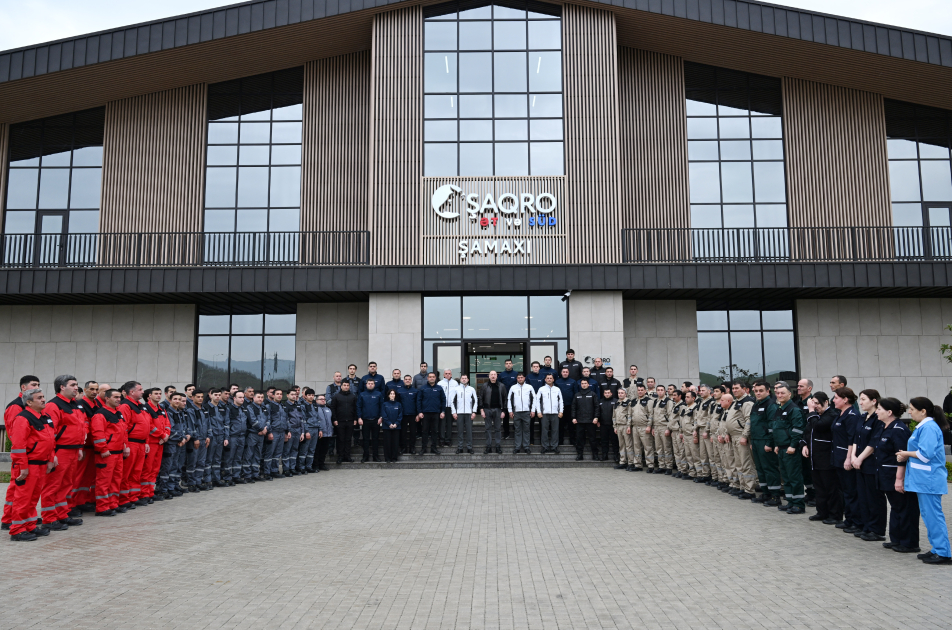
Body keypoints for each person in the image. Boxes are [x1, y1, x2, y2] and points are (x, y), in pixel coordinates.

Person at [896, 397, 951, 564]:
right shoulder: (924, 427)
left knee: (934, 516)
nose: (909, 412)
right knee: (929, 516)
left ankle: (943, 552)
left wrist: (905, 454)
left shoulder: (929, 428)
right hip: (924, 480)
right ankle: (936, 548)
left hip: (929, 480)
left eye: (912, 409)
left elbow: (925, 455)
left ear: (923, 411)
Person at [8, 388, 56, 541]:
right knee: (23, 499)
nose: (43, 400)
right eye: (39, 398)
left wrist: (50, 459)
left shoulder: (44, 417)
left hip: (41, 464)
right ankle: (17, 530)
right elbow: (18, 446)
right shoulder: (22, 418)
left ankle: (30, 525)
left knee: (33, 498)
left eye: (43, 397)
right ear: (29, 402)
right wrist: (23, 467)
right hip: (29, 465)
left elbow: (50, 440)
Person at [40, 374, 86, 530]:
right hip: (60, 451)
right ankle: (49, 518)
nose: (76, 388)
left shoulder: (75, 404)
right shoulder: (53, 406)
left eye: (76, 385)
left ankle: (62, 514)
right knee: (52, 486)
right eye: (73, 385)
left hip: (73, 450)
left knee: (67, 485)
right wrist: (51, 455)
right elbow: (49, 433)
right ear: (62, 387)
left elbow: (80, 428)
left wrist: (79, 448)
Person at [873, 398, 919, 553]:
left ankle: (909, 543)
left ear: (889, 412)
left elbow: (902, 456)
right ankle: (896, 539)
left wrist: (900, 479)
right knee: (896, 507)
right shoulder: (885, 427)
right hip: (886, 475)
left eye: (879, 409)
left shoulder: (899, 430)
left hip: (896, 475)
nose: (877, 411)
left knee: (905, 508)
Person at [801, 392, 843, 523]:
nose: (815, 406)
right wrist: (804, 444)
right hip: (815, 458)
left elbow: (818, 426)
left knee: (831, 488)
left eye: (817, 404)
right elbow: (807, 431)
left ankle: (835, 515)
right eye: (813, 403)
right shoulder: (814, 416)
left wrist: (811, 411)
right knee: (819, 488)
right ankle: (822, 512)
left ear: (826, 402)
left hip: (827, 458)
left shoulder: (831, 415)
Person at [851, 389, 886, 540]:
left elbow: (873, 442)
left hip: (871, 463)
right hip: (859, 463)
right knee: (863, 497)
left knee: (874, 498)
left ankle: (876, 530)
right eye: (860, 399)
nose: (860, 403)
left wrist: (860, 458)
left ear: (874, 401)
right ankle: (866, 527)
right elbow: (855, 438)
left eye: (864, 399)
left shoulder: (878, 419)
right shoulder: (862, 417)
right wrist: (853, 456)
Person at [89, 388, 128, 516]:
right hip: (107, 454)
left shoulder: (117, 413)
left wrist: (125, 446)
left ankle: (113, 504)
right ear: (107, 398)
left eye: (119, 397)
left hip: (117, 452)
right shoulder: (100, 414)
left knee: (115, 480)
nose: (118, 399)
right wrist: (103, 449)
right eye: (115, 397)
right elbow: (98, 433)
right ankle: (102, 507)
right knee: (104, 481)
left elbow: (123, 431)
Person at [831, 387, 863, 533]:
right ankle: (849, 519)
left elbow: (852, 439)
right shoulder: (841, 414)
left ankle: (856, 521)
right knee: (845, 490)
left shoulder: (852, 415)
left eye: (836, 398)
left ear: (845, 399)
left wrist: (849, 458)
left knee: (851, 491)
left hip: (846, 457)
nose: (833, 400)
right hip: (838, 456)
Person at [771, 381, 806, 514]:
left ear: (789, 394)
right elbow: (777, 428)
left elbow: (798, 429)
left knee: (794, 477)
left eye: (783, 393)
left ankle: (798, 504)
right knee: (786, 477)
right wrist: (777, 445)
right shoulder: (780, 409)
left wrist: (793, 445)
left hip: (790, 449)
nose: (779, 395)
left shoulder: (794, 409)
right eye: (778, 393)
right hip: (781, 448)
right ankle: (791, 502)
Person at [748, 381, 781, 504]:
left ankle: (775, 496)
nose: (758, 393)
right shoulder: (756, 405)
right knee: (760, 469)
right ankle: (766, 493)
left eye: (761, 391)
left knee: (769, 468)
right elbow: (754, 424)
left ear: (768, 391)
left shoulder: (771, 405)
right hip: (756, 441)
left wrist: (769, 443)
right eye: (756, 391)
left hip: (765, 441)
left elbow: (773, 426)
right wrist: (752, 441)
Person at [143, 387, 171, 500]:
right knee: (147, 469)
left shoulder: (161, 408)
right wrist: (162, 435)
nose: (158, 395)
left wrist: (166, 435)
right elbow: (149, 426)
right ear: (149, 396)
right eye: (156, 393)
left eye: (160, 393)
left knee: (155, 469)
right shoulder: (146, 408)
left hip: (160, 443)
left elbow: (167, 423)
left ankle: (151, 492)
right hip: (151, 442)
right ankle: (144, 494)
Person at [795, 379, 817, 506]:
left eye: (801, 386)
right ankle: (810, 493)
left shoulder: (813, 402)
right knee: (804, 469)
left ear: (809, 388)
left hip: (810, 440)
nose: (798, 388)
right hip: (800, 439)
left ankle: (816, 495)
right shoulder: (797, 402)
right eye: (798, 386)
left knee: (811, 468)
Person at [185, 390, 211, 491]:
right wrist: (195, 438)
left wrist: (208, 436)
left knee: (201, 462)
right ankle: (191, 483)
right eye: (198, 397)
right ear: (192, 398)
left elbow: (208, 424)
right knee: (192, 462)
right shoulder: (190, 410)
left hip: (204, 439)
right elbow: (191, 425)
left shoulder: (204, 409)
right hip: (195, 441)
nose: (200, 398)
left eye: (201, 397)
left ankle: (198, 481)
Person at [533, 373, 563, 454]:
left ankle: (554, 446)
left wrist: (561, 411)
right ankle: (545, 447)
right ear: (545, 380)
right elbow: (537, 401)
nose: (549, 379)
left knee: (555, 430)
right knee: (544, 431)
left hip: (555, 413)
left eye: (550, 378)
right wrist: (539, 412)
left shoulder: (557, 389)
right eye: (548, 378)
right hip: (544, 414)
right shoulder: (541, 389)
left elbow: (560, 401)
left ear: (553, 379)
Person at [242, 391, 270, 479]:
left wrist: (265, 429)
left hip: (261, 435)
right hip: (253, 434)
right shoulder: (250, 407)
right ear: (254, 398)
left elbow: (268, 420)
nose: (260, 399)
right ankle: (247, 475)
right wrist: (262, 429)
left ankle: (255, 474)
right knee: (249, 454)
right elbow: (253, 421)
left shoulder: (264, 407)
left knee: (257, 455)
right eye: (258, 397)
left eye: (262, 397)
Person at [479, 371, 507, 454]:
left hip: (498, 410)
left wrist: (504, 411)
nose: (493, 376)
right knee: (488, 429)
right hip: (487, 409)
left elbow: (505, 399)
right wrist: (481, 410)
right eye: (491, 375)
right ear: (489, 376)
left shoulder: (501, 386)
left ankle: (498, 446)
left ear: (497, 376)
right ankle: (489, 446)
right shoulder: (484, 386)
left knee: (498, 429)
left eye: (494, 374)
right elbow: (480, 398)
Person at [328, 381, 357, 463]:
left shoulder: (353, 397)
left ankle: (347, 456)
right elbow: (333, 408)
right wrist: (334, 419)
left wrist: (355, 419)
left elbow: (356, 409)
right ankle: (340, 456)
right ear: (341, 386)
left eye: (347, 385)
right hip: (339, 421)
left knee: (348, 439)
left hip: (350, 421)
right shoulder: (336, 396)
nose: (346, 387)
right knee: (340, 439)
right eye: (344, 385)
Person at [417, 373, 446, 455]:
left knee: (435, 431)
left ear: (435, 378)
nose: (432, 378)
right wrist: (419, 412)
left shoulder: (439, 388)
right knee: (424, 431)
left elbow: (443, 400)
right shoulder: (423, 388)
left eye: (433, 377)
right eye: (430, 377)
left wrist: (443, 411)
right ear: (427, 378)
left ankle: (434, 448)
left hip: (436, 413)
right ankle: (424, 448)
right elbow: (419, 400)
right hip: (425, 413)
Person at [629, 384, 656, 472]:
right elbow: (630, 414)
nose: (640, 392)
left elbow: (651, 414)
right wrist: (629, 426)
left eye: (642, 390)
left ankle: (650, 465)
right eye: (639, 390)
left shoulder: (649, 401)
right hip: (635, 427)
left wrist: (649, 426)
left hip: (644, 427)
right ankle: (638, 465)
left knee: (648, 447)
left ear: (645, 391)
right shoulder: (633, 401)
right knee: (636, 447)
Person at [221, 390, 245, 486]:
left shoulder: (244, 409)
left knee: (238, 458)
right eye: (240, 397)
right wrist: (226, 437)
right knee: (229, 458)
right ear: (234, 398)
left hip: (242, 436)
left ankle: (236, 476)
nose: (242, 399)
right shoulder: (229, 409)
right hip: (232, 436)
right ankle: (227, 477)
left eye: (243, 397)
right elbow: (226, 424)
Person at [571, 378, 598, 461]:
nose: (584, 385)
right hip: (579, 421)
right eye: (582, 383)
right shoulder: (577, 395)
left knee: (592, 439)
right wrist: (573, 417)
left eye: (585, 383)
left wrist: (596, 417)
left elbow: (597, 407)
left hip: (591, 421)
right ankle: (580, 454)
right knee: (579, 439)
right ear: (580, 385)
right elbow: (573, 407)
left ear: (588, 384)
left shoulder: (593, 394)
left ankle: (595, 455)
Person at [508, 373, 535, 455]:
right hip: (516, 412)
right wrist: (510, 411)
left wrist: (533, 410)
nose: (520, 379)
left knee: (526, 430)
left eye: (521, 377)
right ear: (517, 378)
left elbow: (534, 399)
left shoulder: (529, 387)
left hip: (527, 412)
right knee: (517, 430)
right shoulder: (513, 387)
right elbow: (509, 399)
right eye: (519, 377)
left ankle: (526, 447)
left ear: (524, 378)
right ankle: (517, 447)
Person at [357, 379, 384, 463]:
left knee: (375, 439)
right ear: (366, 385)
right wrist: (359, 417)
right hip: (365, 420)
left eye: (372, 383)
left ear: (374, 385)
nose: (370, 385)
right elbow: (359, 406)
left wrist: (381, 417)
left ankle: (376, 456)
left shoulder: (378, 394)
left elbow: (382, 406)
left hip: (376, 420)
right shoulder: (362, 394)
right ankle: (365, 456)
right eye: (369, 383)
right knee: (366, 439)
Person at [452, 374, 478, 455]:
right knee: (460, 431)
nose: (464, 379)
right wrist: (454, 412)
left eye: (465, 378)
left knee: (469, 431)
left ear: (468, 380)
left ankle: (469, 448)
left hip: (469, 413)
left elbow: (475, 401)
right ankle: (460, 448)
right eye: (462, 378)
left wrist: (474, 412)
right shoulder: (456, 389)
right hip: (459, 413)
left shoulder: (471, 389)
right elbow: (452, 401)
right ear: (460, 380)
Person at [650, 386, 673, 474]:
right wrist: (653, 427)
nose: (660, 392)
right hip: (656, 427)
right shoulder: (655, 401)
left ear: (665, 391)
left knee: (667, 448)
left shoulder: (668, 401)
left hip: (664, 426)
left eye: (661, 390)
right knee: (659, 448)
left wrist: (668, 428)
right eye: (658, 390)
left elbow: (670, 415)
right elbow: (653, 415)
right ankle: (661, 466)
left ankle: (669, 467)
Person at [555, 368, 579, 447]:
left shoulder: (573, 381)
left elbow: (576, 393)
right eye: (563, 372)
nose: (565, 373)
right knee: (560, 425)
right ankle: (560, 441)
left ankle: (572, 440)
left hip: (570, 406)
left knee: (571, 425)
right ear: (561, 373)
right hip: (560, 407)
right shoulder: (557, 382)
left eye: (566, 372)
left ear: (568, 373)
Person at [397, 374, 420, 454]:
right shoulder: (399, 391)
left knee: (413, 432)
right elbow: (397, 403)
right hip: (402, 415)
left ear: (411, 381)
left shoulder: (415, 391)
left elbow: (418, 403)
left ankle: (412, 448)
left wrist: (418, 414)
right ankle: (403, 448)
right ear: (404, 381)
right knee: (403, 432)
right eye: (406, 379)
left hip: (413, 415)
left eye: (409, 379)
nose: (407, 380)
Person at [437, 368, 459, 448]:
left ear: (451, 374)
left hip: (451, 407)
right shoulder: (440, 383)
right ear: (443, 374)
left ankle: (448, 440)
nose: (447, 375)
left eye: (449, 373)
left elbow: (457, 395)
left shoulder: (455, 383)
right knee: (442, 424)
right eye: (446, 373)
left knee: (449, 424)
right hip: (442, 407)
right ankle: (441, 440)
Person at [312, 393, 334, 471]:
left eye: (324, 399)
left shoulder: (328, 409)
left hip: (327, 433)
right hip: (319, 433)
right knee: (317, 450)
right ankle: (315, 465)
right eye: (321, 399)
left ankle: (322, 464)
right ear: (316, 400)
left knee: (324, 450)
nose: (323, 400)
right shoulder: (315, 409)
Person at [613, 388, 634, 470]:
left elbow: (630, 415)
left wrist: (629, 426)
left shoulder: (629, 402)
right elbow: (614, 416)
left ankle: (631, 462)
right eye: (619, 393)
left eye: (622, 393)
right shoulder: (616, 403)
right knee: (621, 445)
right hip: (618, 426)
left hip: (625, 426)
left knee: (629, 445)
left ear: (626, 394)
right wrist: (615, 426)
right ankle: (622, 462)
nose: (620, 394)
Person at [596, 388, 619, 462]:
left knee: (615, 441)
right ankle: (604, 455)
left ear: (611, 393)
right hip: (603, 425)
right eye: (605, 393)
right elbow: (598, 411)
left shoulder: (616, 401)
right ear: (603, 394)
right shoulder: (600, 401)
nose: (607, 394)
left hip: (613, 425)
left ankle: (616, 456)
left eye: (608, 393)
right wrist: (598, 420)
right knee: (604, 441)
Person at [381, 390, 403, 464]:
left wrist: (396, 424)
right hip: (387, 427)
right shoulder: (384, 404)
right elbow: (384, 415)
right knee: (387, 443)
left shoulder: (399, 404)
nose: (392, 395)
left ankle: (394, 458)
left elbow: (400, 415)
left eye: (393, 394)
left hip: (396, 427)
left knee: (395, 443)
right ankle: (387, 458)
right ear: (388, 395)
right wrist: (389, 424)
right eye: (391, 394)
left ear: (395, 395)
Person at [498, 359, 519, 439]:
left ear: (512, 364)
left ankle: (516, 433)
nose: (508, 365)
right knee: (505, 417)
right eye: (507, 363)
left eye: (510, 363)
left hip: (515, 399)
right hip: (505, 399)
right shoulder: (501, 375)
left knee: (516, 417)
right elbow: (498, 385)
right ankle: (506, 434)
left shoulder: (516, 374)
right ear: (505, 365)